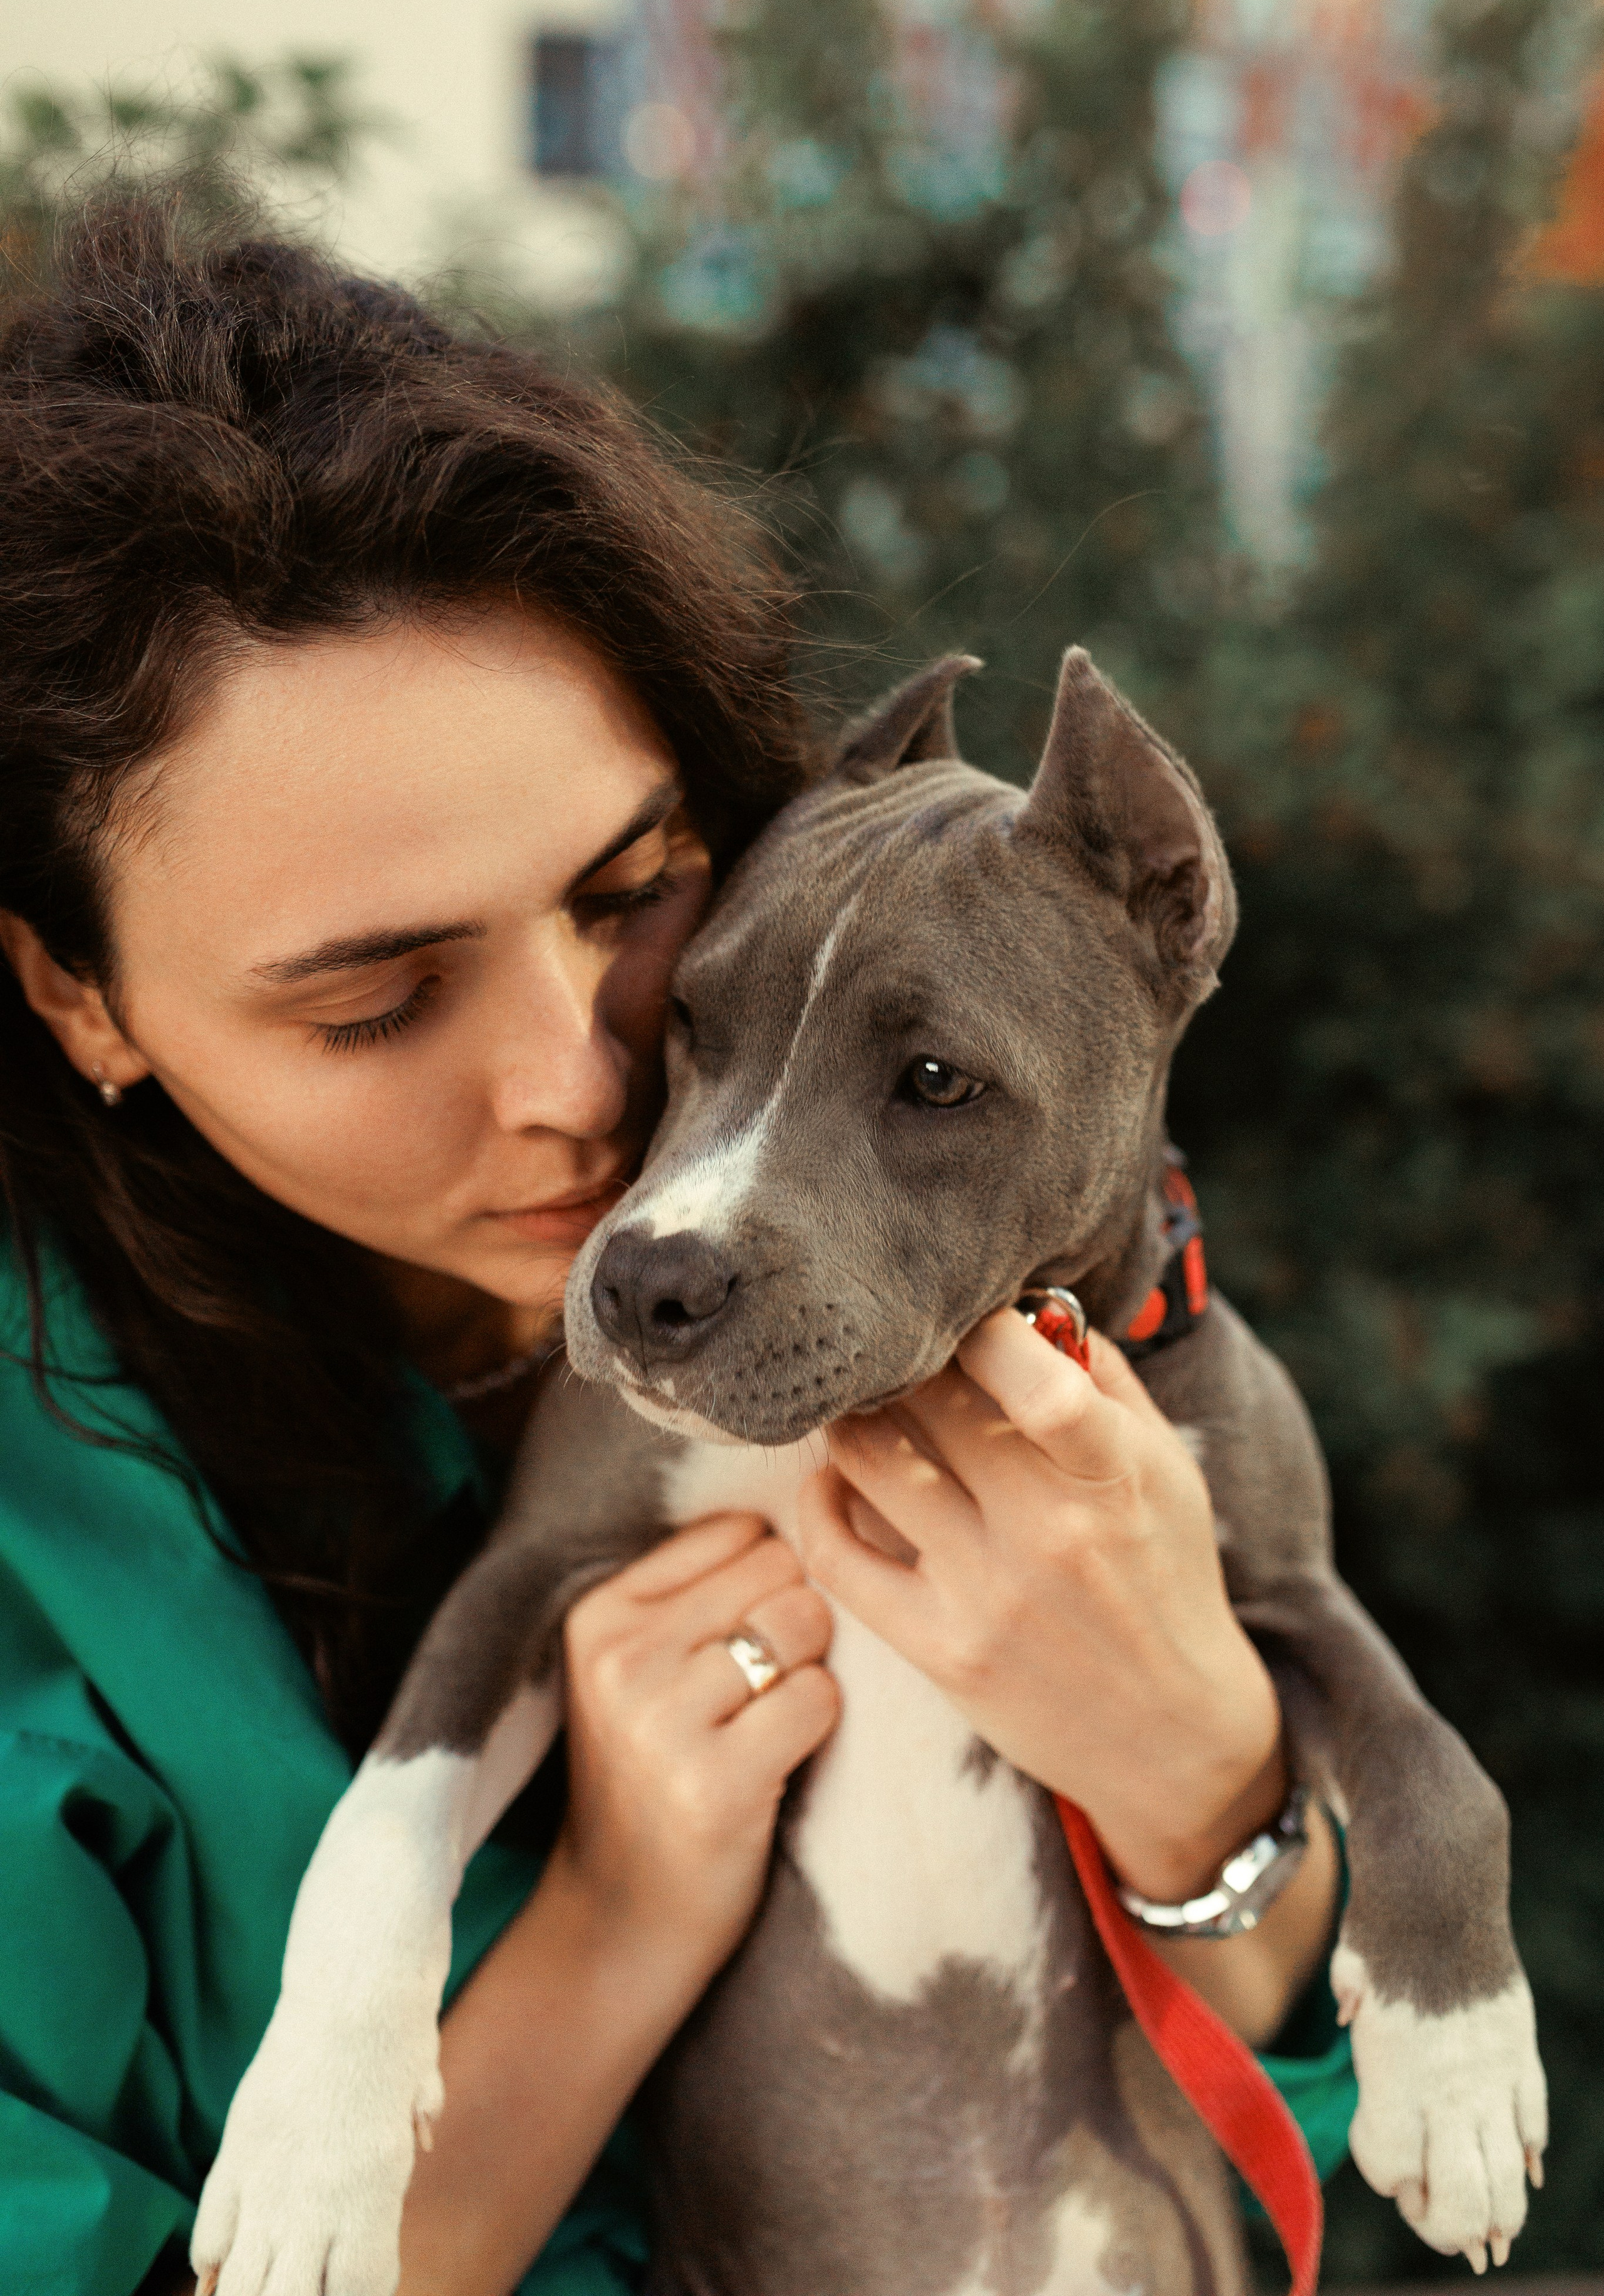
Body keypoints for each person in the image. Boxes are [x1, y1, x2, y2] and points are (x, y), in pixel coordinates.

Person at [0, 199, 1355, 2296]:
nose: (584, 1083)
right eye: (373, 1002)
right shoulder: (45, 1579)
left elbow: (1267, 2062)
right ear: (77, 996)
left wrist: (1200, 1762)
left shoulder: (899, 1245)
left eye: (633, 890)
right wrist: (619, 1919)